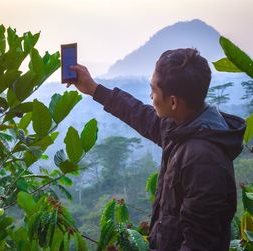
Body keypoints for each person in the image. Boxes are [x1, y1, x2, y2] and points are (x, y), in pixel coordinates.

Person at [68, 48, 246, 251]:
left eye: (153, 90)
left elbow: (200, 243)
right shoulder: (183, 125)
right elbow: (140, 115)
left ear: (173, 101)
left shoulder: (203, 160)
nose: (150, 96)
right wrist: (93, 89)